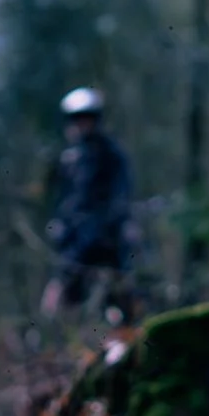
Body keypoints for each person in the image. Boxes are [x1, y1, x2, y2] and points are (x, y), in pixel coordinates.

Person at [42, 87, 135, 321]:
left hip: (106, 237)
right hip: (75, 240)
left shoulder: (111, 154)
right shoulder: (68, 159)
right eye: (78, 119)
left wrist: (112, 224)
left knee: (116, 292)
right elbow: (61, 198)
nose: (82, 125)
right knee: (64, 294)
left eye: (87, 119)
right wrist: (59, 225)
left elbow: (121, 194)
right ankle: (61, 338)